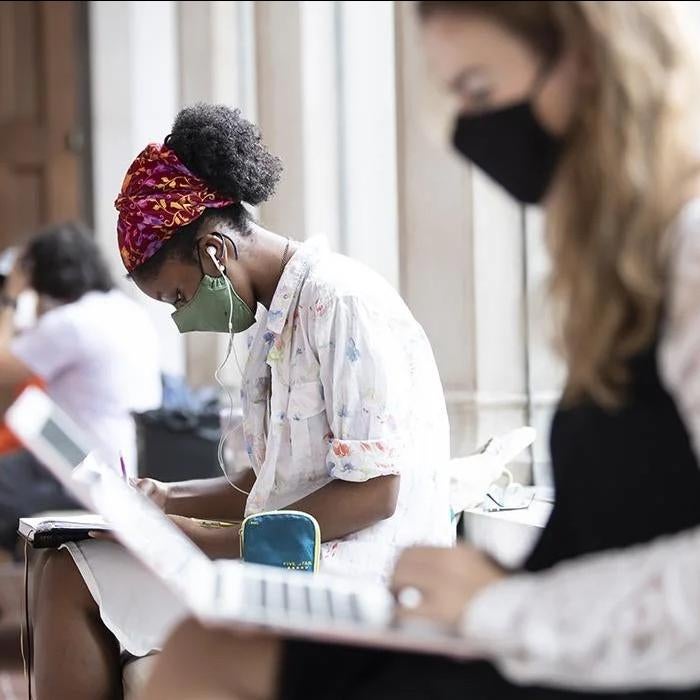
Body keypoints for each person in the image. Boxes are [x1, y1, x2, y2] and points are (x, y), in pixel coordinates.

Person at [136, 2, 700, 699]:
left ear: (593, 66)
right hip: (535, 625)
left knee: (211, 654)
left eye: (479, 91)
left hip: (580, 651)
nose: (468, 130)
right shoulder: (623, 270)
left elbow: (373, 491)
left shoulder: (691, 252)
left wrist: (502, 605)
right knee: (201, 647)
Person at [31, 104, 453, 699]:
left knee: (74, 580)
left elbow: (376, 493)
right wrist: (163, 499)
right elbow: (267, 482)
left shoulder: (341, 303)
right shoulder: (272, 327)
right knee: (64, 568)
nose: (182, 317)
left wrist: (197, 540)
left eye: (177, 295)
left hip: (349, 583)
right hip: (284, 565)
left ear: (213, 252)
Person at [0, 223, 161, 552]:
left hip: (71, 473)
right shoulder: (124, 310)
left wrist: (12, 297)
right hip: (114, 462)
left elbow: (2, 365)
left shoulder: (71, 323)